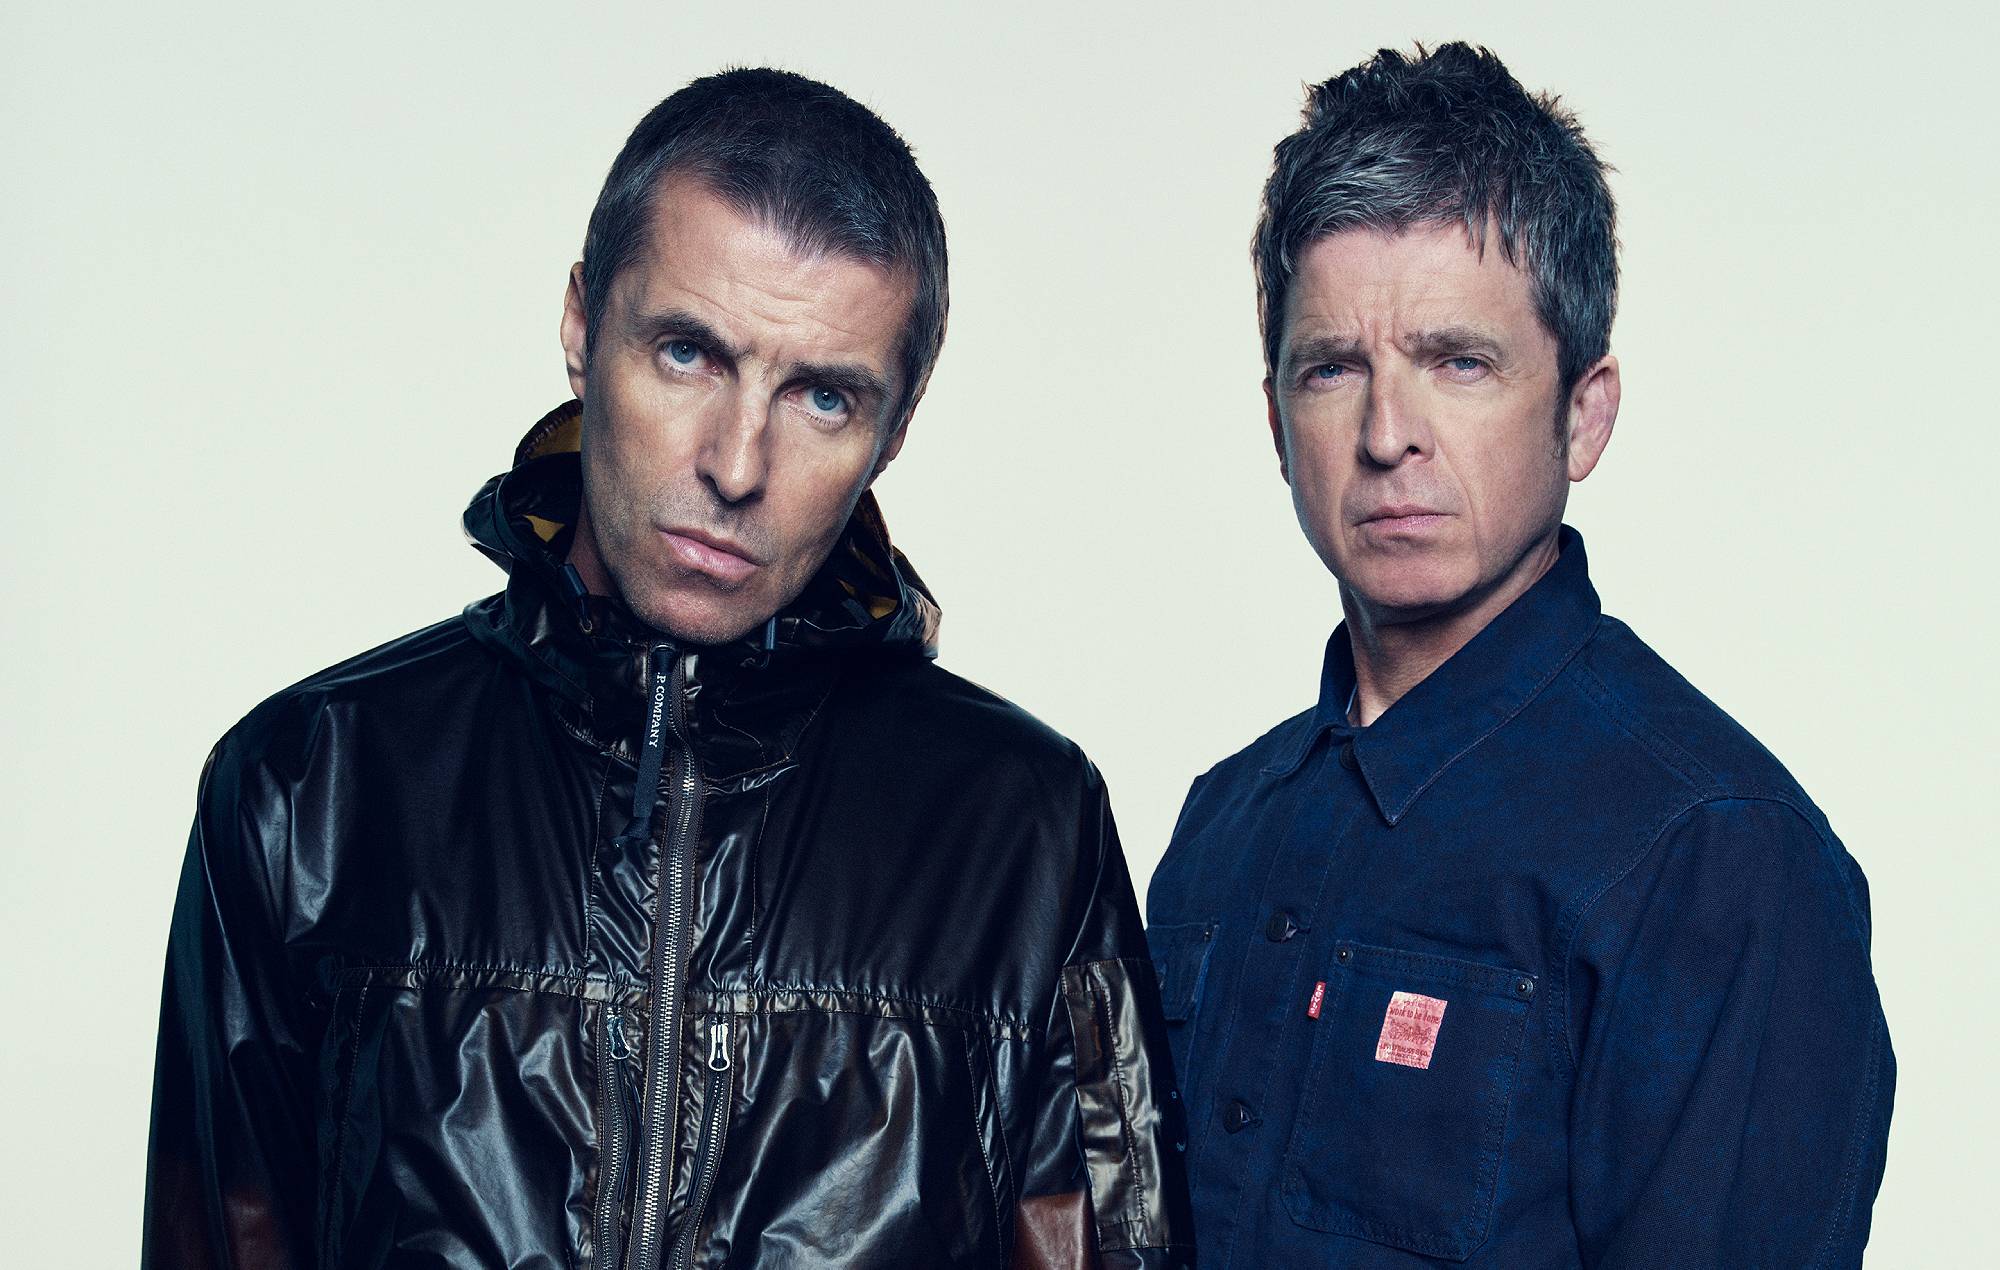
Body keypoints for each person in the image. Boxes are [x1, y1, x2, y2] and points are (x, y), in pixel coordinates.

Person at [144, 67, 1191, 1270]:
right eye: (688, 353)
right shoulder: (308, 790)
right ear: (581, 327)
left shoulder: (1026, 829)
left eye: (823, 397)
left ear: (894, 429)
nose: (736, 465)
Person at [1145, 43, 1892, 1268]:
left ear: (1581, 414)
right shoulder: (1222, 822)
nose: (1387, 433)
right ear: (1276, 422)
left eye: (1458, 362)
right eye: (1332, 369)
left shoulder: (1715, 855)